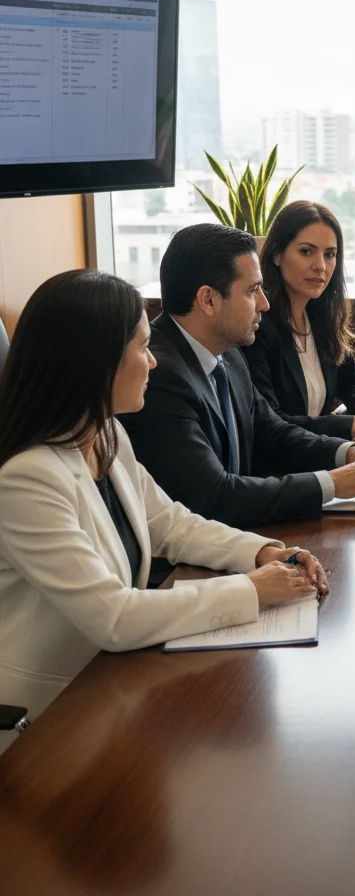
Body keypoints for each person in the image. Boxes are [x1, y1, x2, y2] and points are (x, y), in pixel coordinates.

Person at [0, 270, 330, 750]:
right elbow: (114, 616)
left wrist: (261, 552)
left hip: (112, 686)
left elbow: (169, 523)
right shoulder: (28, 480)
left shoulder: (105, 435)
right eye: (142, 347)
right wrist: (251, 590)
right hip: (51, 719)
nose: (153, 362)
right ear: (94, 363)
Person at [119, 224, 355, 532]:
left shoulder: (228, 353)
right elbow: (214, 498)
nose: (264, 303)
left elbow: (269, 430)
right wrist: (332, 483)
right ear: (208, 300)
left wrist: (350, 453)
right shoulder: (158, 376)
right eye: (251, 291)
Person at [243, 200, 355, 440]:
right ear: (277, 256)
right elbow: (272, 424)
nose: (321, 266)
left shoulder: (319, 316)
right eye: (306, 251)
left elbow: (353, 379)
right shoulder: (256, 327)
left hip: (320, 458)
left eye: (330, 254)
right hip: (282, 469)